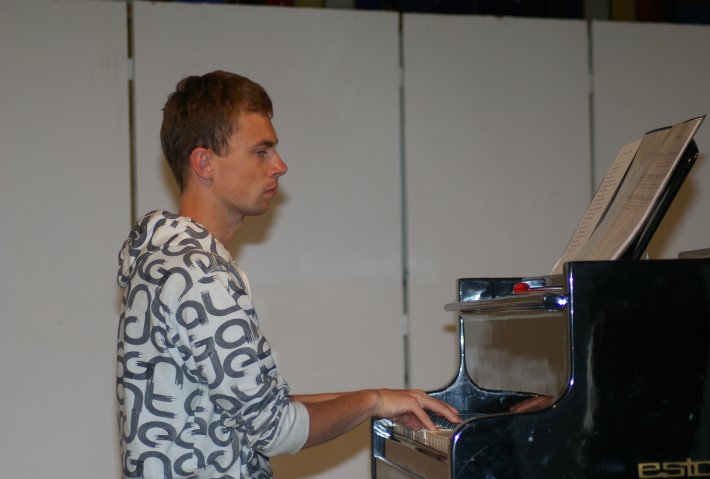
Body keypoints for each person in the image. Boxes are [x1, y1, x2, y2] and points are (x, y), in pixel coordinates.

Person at [115, 70, 460, 479]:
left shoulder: (170, 261)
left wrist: (381, 400)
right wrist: (373, 402)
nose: (279, 166)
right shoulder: (199, 275)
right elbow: (275, 429)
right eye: (261, 152)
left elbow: (253, 408)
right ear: (204, 163)